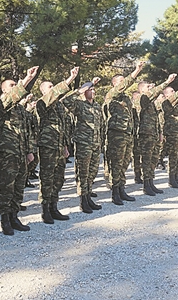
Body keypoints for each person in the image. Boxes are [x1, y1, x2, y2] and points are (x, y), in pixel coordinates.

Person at [0, 67, 39, 235]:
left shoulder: (20, 110)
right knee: (7, 187)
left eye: (16, 84)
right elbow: (11, 98)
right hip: (8, 154)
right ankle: (5, 219)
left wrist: (29, 151)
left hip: (21, 153)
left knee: (19, 187)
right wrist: (26, 79)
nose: (15, 87)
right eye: (11, 85)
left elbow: (26, 131)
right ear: (4, 89)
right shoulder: (2, 104)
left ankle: (14, 216)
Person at [36, 67, 79, 224]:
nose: (53, 88)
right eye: (50, 87)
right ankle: (45, 209)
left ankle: (54, 207)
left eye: (53, 86)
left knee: (58, 178)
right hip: (48, 147)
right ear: (43, 91)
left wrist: (66, 146)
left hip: (60, 147)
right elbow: (54, 95)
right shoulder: (41, 104)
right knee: (47, 179)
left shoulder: (59, 107)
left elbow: (63, 128)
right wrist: (69, 80)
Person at [103, 61, 144, 204]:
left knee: (125, 163)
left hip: (127, 134)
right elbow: (125, 84)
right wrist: (136, 71)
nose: (124, 83)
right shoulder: (111, 95)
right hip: (117, 135)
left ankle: (121, 188)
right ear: (114, 84)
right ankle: (115, 192)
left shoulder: (126, 98)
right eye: (120, 81)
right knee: (116, 163)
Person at [62, 77, 104, 213]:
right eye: (90, 89)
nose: (93, 91)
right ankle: (83, 200)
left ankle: (89, 196)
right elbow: (66, 101)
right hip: (83, 144)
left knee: (92, 172)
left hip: (96, 143)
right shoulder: (79, 105)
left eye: (94, 89)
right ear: (85, 92)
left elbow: (101, 125)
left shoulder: (97, 106)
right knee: (83, 173)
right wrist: (79, 92)